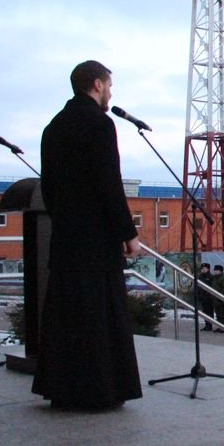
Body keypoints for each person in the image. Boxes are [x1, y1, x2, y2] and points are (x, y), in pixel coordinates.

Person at [32, 60, 142, 410]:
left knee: (66, 315)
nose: (110, 93)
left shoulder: (53, 127)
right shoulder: (100, 124)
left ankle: (64, 390)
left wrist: (65, 220)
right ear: (97, 84)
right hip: (96, 241)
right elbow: (109, 183)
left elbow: (48, 188)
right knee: (98, 314)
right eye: (109, 85)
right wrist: (128, 233)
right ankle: (99, 391)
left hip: (66, 237)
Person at [197, 262, 214, 331]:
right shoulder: (200, 277)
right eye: (202, 268)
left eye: (205, 268)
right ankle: (206, 325)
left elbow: (212, 287)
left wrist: (209, 296)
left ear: (208, 269)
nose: (203, 269)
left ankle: (209, 325)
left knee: (209, 311)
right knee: (205, 312)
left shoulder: (211, 277)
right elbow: (198, 286)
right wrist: (198, 294)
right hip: (202, 297)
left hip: (209, 298)